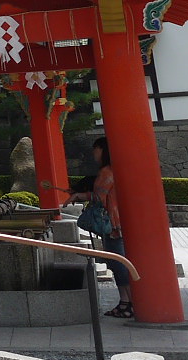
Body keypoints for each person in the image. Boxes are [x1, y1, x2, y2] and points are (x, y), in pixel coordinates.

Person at [71, 136, 133, 319]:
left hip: (112, 224)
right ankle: (125, 302)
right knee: (116, 262)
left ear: (103, 150)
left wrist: (79, 195)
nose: (94, 153)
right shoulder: (117, 169)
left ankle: (131, 302)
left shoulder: (107, 171)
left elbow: (99, 197)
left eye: (95, 149)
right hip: (118, 222)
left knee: (118, 263)